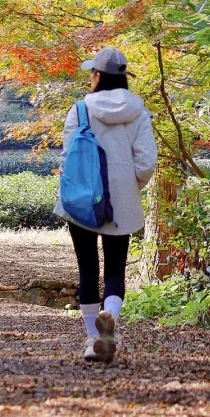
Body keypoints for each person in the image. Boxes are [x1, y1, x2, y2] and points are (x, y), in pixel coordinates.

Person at [54, 46, 158, 363]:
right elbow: (147, 164)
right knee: (115, 268)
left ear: (98, 76)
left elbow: (67, 157)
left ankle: (91, 339)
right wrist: (128, 186)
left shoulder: (80, 110)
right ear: (123, 78)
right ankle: (109, 315)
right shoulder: (139, 113)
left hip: (82, 200)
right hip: (122, 202)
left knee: (87, 268)